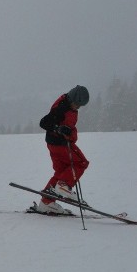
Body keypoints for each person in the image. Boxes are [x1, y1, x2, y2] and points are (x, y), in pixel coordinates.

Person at [36, 85, 90, 214]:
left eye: (80, 106)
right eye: (77, 104)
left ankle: (46, 203)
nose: (78, 107)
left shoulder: (66, 104)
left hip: (54, 144)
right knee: (81, 163)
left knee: (61, 171)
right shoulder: (62, 108)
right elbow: (44, 122)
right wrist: (58, 129)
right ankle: (63, 186)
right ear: (72, 99)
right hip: (60, 144)